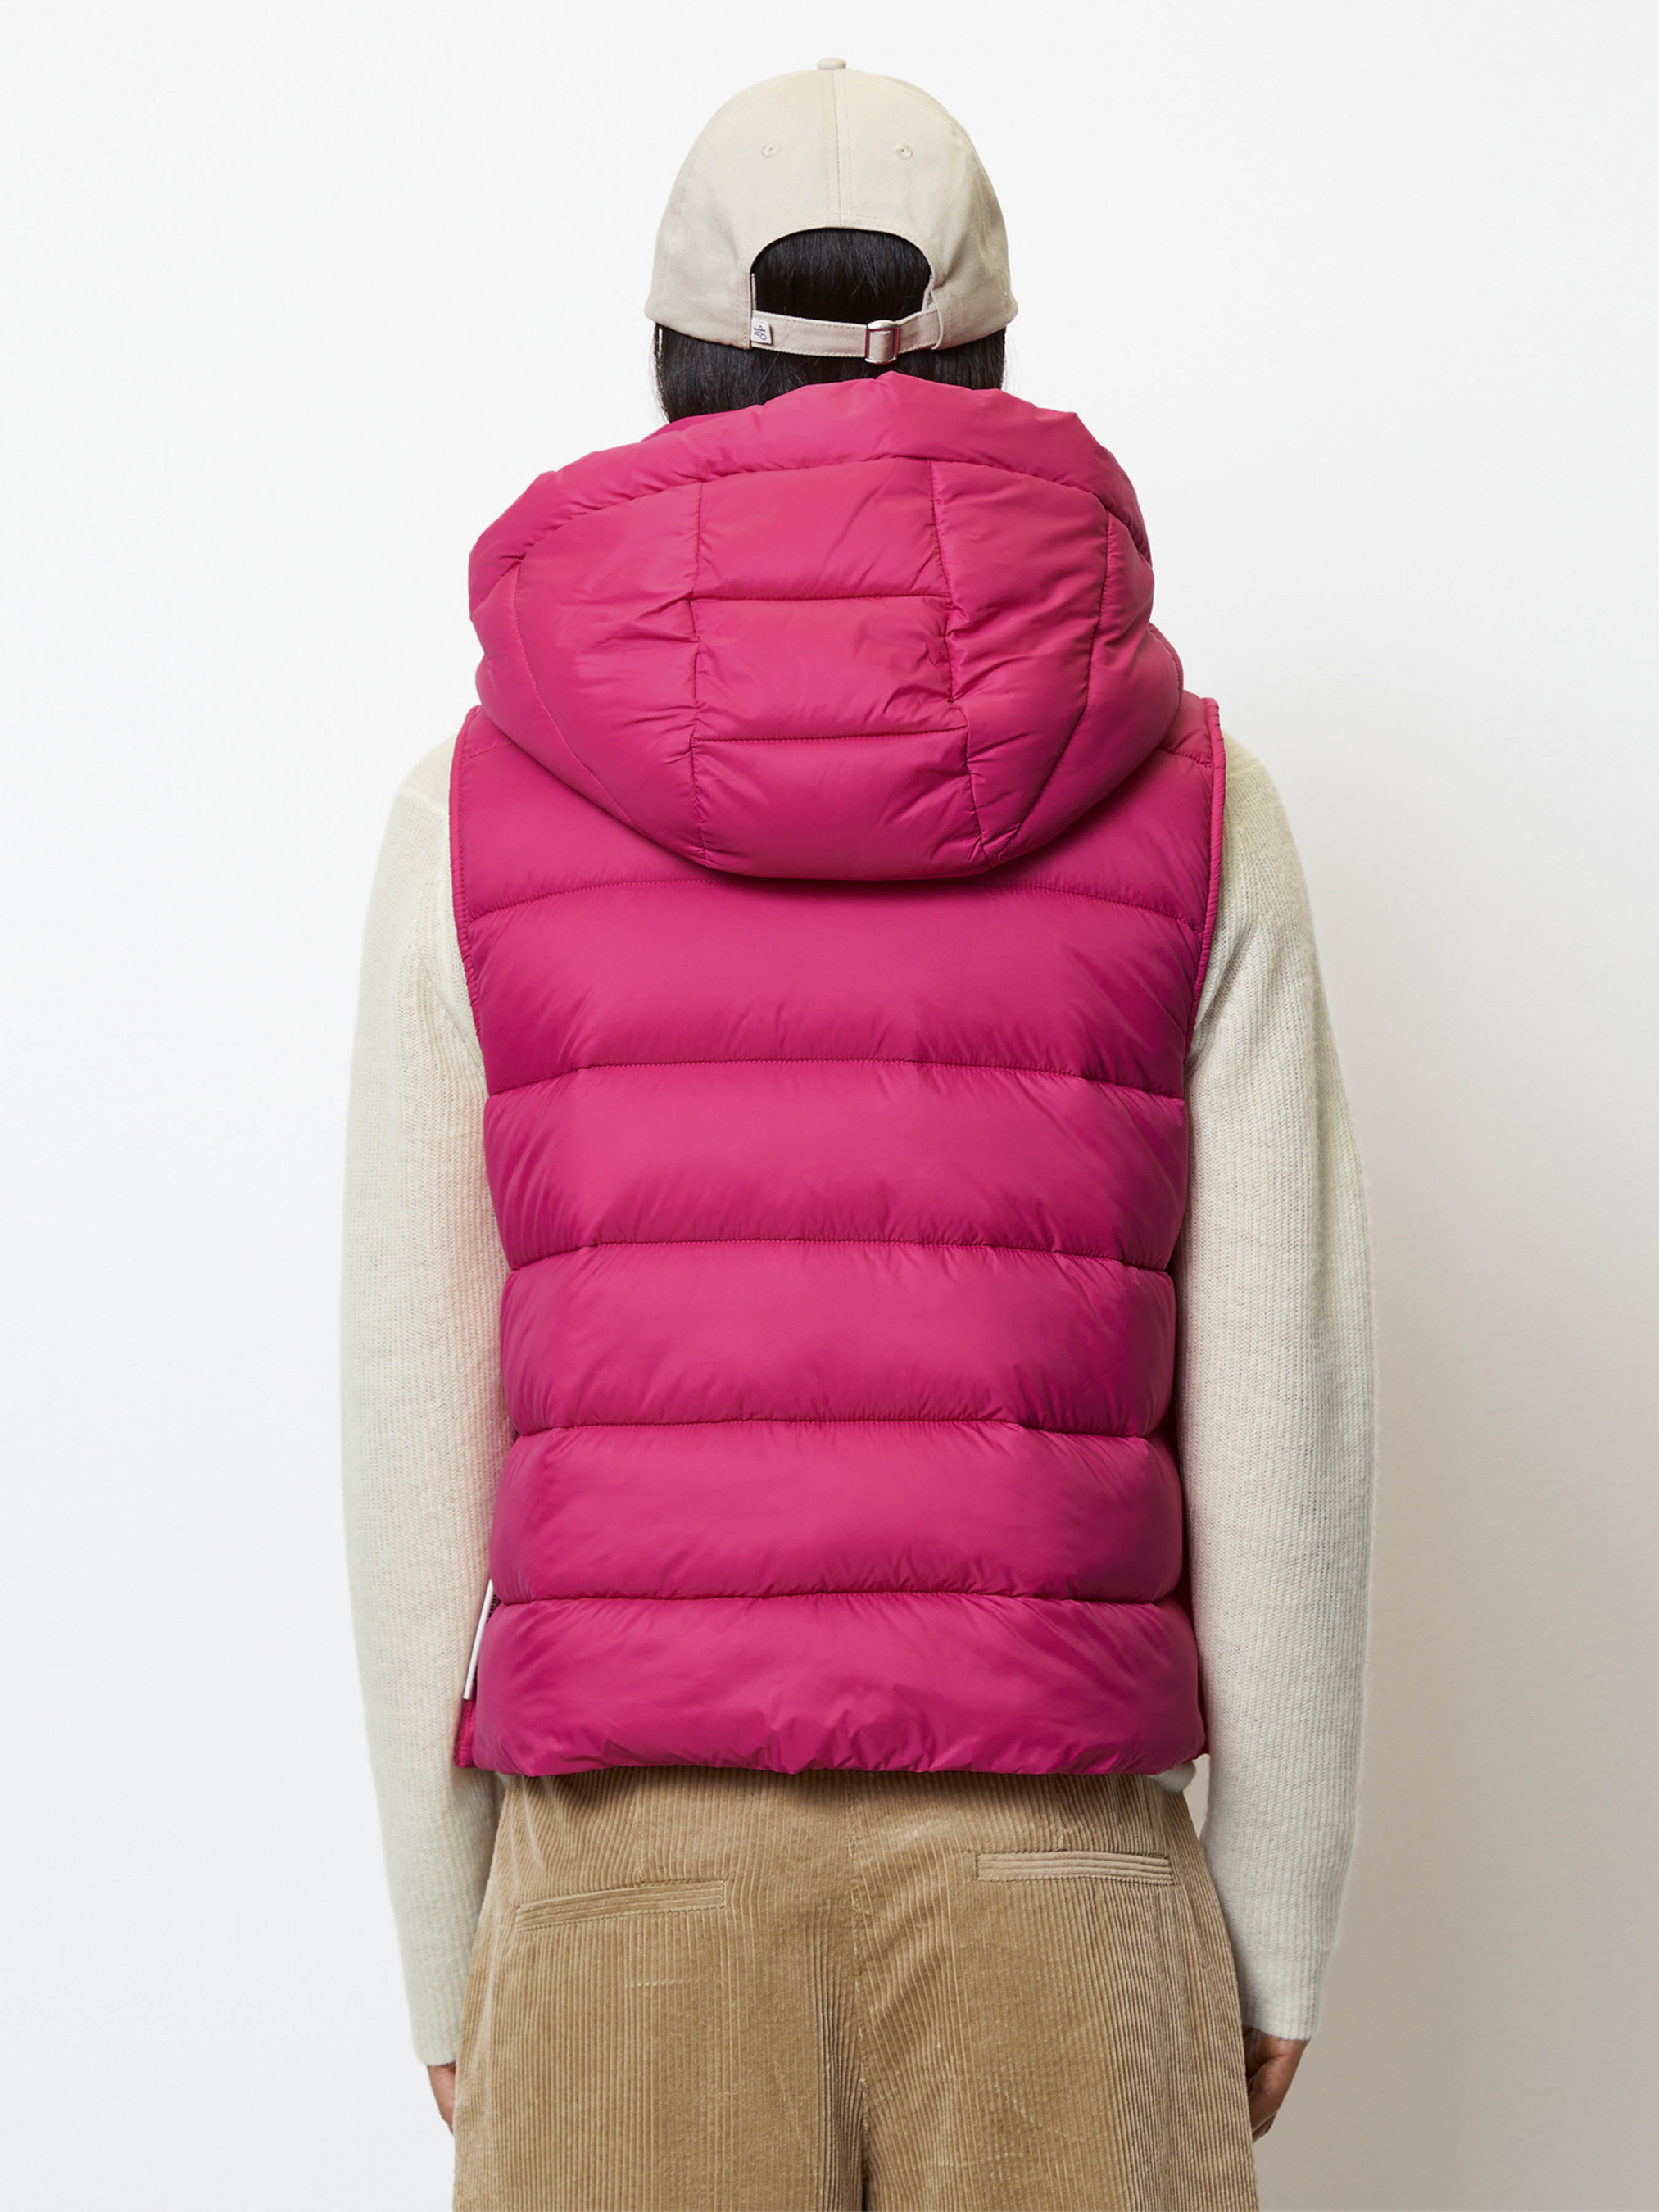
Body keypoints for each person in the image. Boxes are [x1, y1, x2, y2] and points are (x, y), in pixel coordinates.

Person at [343, 60, 1374, 2212]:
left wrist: (451, 1937)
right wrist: (1272, 1912)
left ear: (671, 356)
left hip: (625, 1880)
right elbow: (1283, 1410)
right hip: (1061, 1868)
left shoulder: (473, 810)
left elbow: (412, 1411)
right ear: (987, 363)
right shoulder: (1203, 800)